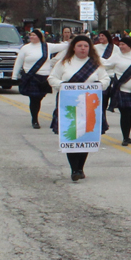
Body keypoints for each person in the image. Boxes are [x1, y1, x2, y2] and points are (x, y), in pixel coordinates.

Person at [47, 36, 110, 181]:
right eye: (80, 46)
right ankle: (74, 169)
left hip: (89, 107)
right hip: (69, 105)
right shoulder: (64, 63)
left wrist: (99, 85)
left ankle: (80, 167)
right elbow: (52, 78)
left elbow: (106, 79)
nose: (83, 48)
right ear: (73, 48)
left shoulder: (96, 64)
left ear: (90, 48)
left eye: (86, 46)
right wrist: (63, 85)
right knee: (71, 137)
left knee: (86, 136)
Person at [12, 29, 68, 129]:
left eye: (34, 35)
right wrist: (14, 76)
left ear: (39, 36)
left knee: (39, 98)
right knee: (34, 99)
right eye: (30, 35)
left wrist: (71, 40)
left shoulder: (47, 46)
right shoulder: (25, 48)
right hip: (31, 76)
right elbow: (18, 62)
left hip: (43, 78)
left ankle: (35, 115)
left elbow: (64, 46)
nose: (31, 37)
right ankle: (35, 119)